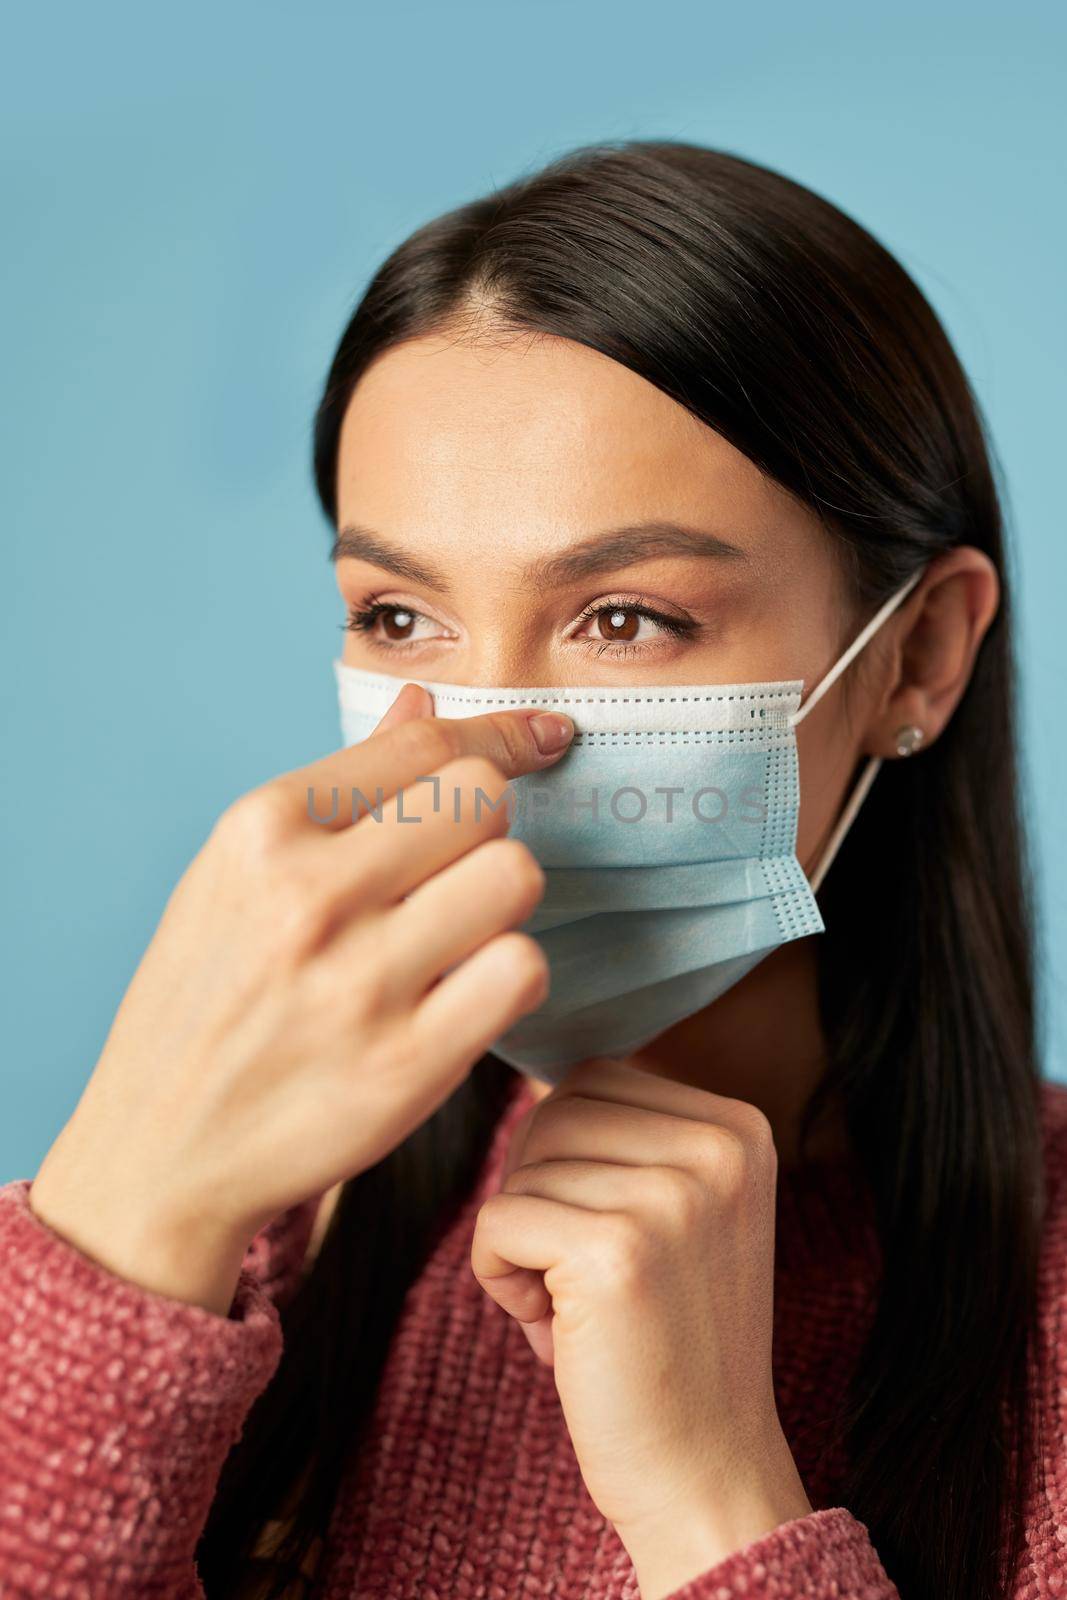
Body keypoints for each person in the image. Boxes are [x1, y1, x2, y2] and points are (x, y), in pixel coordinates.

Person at [1, 139, 1063, 1600]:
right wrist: (125, 1228)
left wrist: (718, 1504)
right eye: (397, 618)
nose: (476, 749)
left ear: (919, 657)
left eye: (624, 619)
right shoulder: (243, 1237)